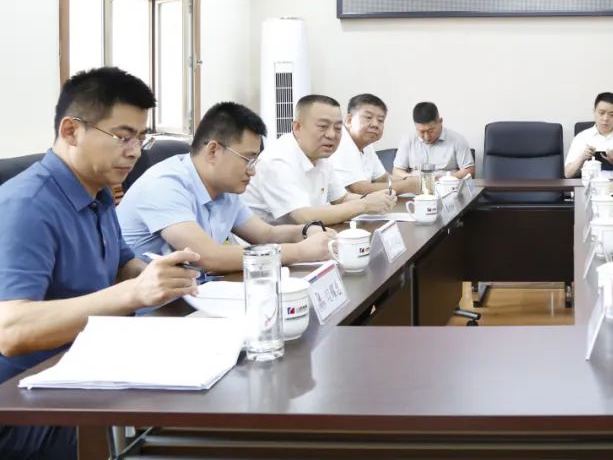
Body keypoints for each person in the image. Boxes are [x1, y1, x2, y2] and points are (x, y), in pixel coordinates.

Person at [0, 67, 200, 460]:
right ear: (71, 131)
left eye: (141, 137)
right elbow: (11, 330)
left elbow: (122, 263)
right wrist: (133, 293)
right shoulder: (26, 206)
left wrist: (163, 276)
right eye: (123, 137)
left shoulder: (98, 192)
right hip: (28, 406)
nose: (135, 151)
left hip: (90, 371)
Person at [119, 102, 335, 274]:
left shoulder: (224, 189)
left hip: (191, 292)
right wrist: (300, 251)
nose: (252, 171)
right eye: (248, 160)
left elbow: (265, 234)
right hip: (149, 308)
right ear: (213, 151)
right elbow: (207, 256)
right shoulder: (164, 185)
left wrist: (306, 231)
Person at [242, 95, 395, 225]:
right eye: (323, 126)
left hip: (304, 239)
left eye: (338, 128)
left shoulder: (321, 155)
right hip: (266, 248)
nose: (332, 135)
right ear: (297, 127)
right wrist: (364, 205)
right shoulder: (278, 160)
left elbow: (341, 199)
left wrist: (375, 200)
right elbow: (304, 217)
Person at [331, 93, 420, 195]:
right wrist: (408, 185)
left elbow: (383, 178)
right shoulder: (341, 141)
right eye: (368, 117)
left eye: (380, 120)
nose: (375, 124)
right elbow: (359, 189)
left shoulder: (366, 144)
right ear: (349, 120)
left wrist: (412, 180)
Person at [392, 102, 475, 180]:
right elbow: (397, 171)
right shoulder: (408, 140)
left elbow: (469, 170)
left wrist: (444, 180)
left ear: (440, 121)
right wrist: (412, 179)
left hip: (447, 186)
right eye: (421, 132)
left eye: (431, 131)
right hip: (415, 186)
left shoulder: (457, 139)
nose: (427, 137)